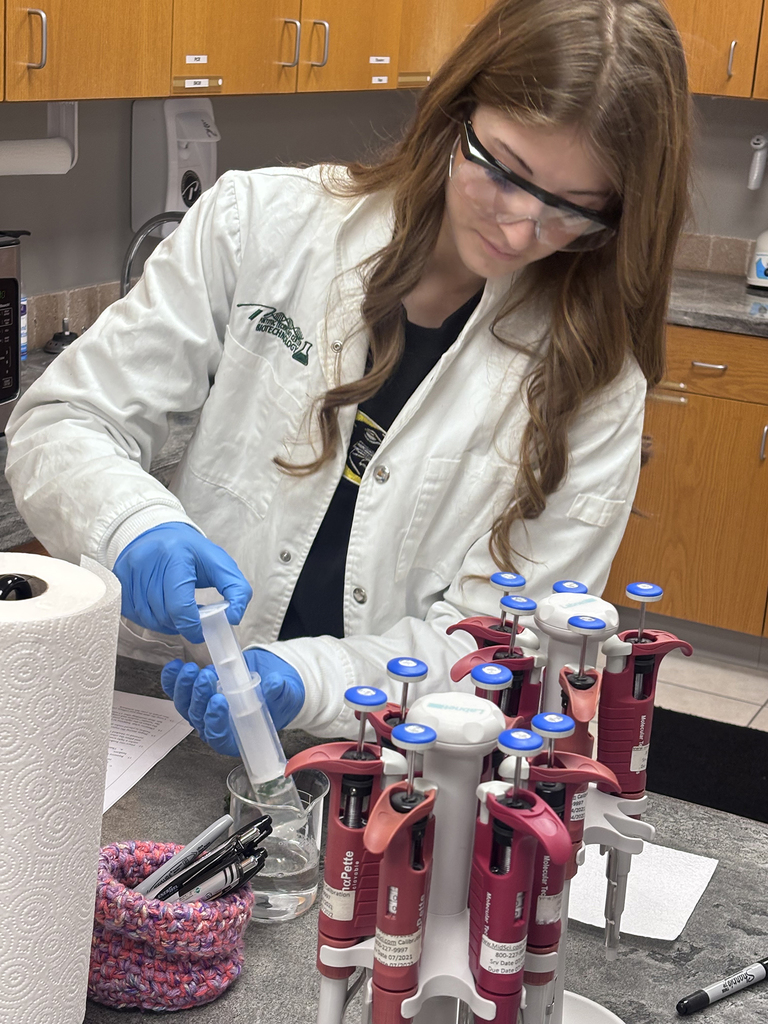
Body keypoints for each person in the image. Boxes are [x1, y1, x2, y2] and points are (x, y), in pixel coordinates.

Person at [5, 0, 690, 750]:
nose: (521, 228)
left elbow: (503, 642)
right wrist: (133, 524)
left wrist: (308, 682)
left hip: (393, 754)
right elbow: (63, 422)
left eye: (571, 209)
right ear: (454, 112)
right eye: (504, 170)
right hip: (159, 711)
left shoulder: (594, 379)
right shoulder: (262, 225)